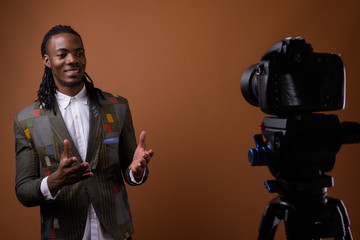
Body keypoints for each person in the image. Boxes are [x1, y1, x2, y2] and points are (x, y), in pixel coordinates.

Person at [14, 25, 154, 240]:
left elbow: (130, 167)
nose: (72, 60)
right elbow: (24, 191)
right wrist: (55, 181)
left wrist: (136, 172)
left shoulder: (117, 106)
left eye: (78, 53)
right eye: (62, 55)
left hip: (115, 231)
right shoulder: (27, 120)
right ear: (47, 60)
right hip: (63, 232)